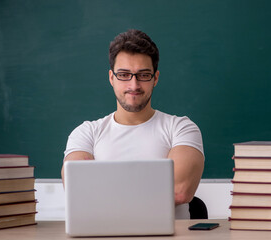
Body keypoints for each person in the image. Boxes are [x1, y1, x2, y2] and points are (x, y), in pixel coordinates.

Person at [61, 29, 204, 219]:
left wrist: (101, 188)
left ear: (156, 78)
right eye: (124, 75)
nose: (134, 85)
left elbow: (179, 191)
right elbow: (77, 189)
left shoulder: (182, 128)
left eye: (143, 75)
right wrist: (158, 187)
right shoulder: (87, 133)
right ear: (111, 78)